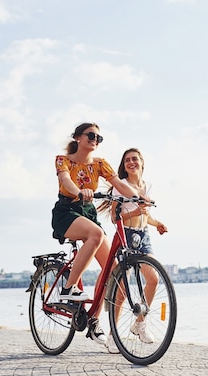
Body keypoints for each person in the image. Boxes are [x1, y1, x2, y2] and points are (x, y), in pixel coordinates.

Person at [51, 122, 139, 348]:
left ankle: (93, 319)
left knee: (112, 266)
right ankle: (69, 288)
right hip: (67, 212)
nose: (95, 140)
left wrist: (139, 197)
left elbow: (118, 184)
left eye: (99, 138)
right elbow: (66, 180)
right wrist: (80, 191)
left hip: (88, 213)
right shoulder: (63, 160)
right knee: (96, 234)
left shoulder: (100, 164)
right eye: (91, 136)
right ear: (78, 137)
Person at [97, 148, 167, 350]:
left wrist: (157, 223)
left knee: (153, 278)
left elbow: (146, 215)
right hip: (125, 235)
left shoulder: (147, 185)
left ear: (142, 162)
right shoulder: (121, 186)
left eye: (134, 159)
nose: (131, 163)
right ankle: (113, 335)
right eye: (127, 160)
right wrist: (137, 210)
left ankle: (139, 323)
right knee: (122, 287)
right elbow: (114, 217)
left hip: (143, 235)